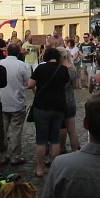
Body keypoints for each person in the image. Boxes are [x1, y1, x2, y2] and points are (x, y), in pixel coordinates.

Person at [29, 47, 70, 177]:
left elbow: (30, 84)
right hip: (58, 106)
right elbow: (66, 83)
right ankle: (54, 167)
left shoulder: (40, 68)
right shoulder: (63, 70)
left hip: (42, 106)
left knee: (41, 139)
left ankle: (40, 168)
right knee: (55, 139)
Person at [0, 43, 32, 165]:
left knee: (3, 129)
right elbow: (28, 83)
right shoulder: (22, 65)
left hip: (2, 101)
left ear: (7, 52)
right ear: (18, 53)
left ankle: (2, 155)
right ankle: (15, 156)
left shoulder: (0, 64)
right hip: (17, 101)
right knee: (16, 130)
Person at [59, 48, 81, 154]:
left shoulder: (60, 69)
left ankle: (61, 148)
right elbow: (75, 85)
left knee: (61, 127)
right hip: (71, 99)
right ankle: (75, 151)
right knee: (72, 129)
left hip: (62, 99)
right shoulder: (72, 68)